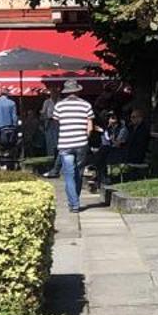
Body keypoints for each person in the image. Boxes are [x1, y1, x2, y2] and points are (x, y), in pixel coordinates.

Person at [51, 78, 95, 214]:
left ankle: (74, 203)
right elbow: (90, 127)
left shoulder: (59, 106)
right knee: (79, 173)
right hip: (81, 143)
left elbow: (56, 123)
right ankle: (75, 199)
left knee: (69, 174)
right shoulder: (86, 105)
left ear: (66, 92)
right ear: (78, 90)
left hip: (65, 143)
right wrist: (85, 137)